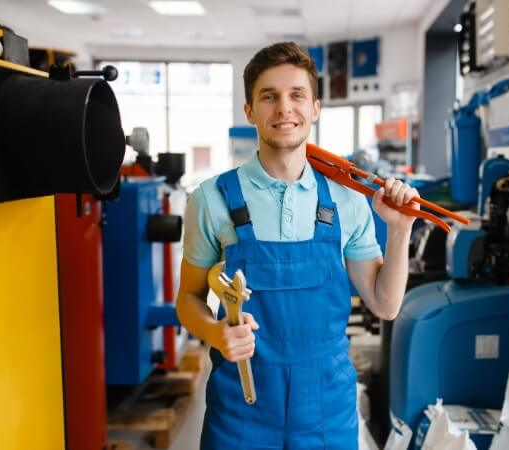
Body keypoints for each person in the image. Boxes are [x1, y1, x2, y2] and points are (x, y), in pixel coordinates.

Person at [176, 41, 419, 450]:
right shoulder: (211, 199)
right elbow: (188, 299)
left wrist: (400, 230)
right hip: (241, 410)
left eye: (296, 95)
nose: (284, 108)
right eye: (268, 97)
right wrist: (217, 333)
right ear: (250, 110)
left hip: (326, 412)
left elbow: (385, 304)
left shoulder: (346, 199)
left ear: (315, 108)